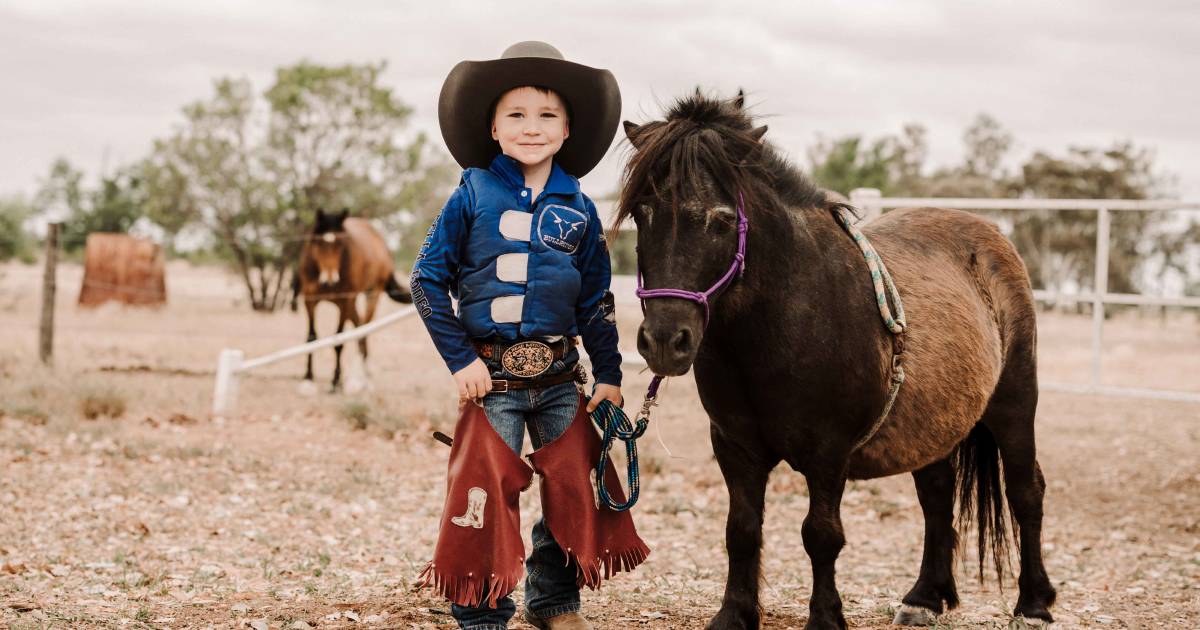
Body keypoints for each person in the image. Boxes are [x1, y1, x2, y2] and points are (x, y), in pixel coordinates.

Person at [411, 41, 633, 630]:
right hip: (492, 378)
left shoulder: (580, 208)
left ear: (566, 130)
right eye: (516, 115)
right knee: (484, 496)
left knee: (573, 489)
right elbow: (426, 281)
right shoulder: (472, 193)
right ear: (492, 126)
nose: (530, 128)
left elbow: (596, 301)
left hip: (562, 379)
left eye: (546, 116)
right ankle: (482, 612)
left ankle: (554, 601)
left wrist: (609, 373)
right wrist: (461, 361)